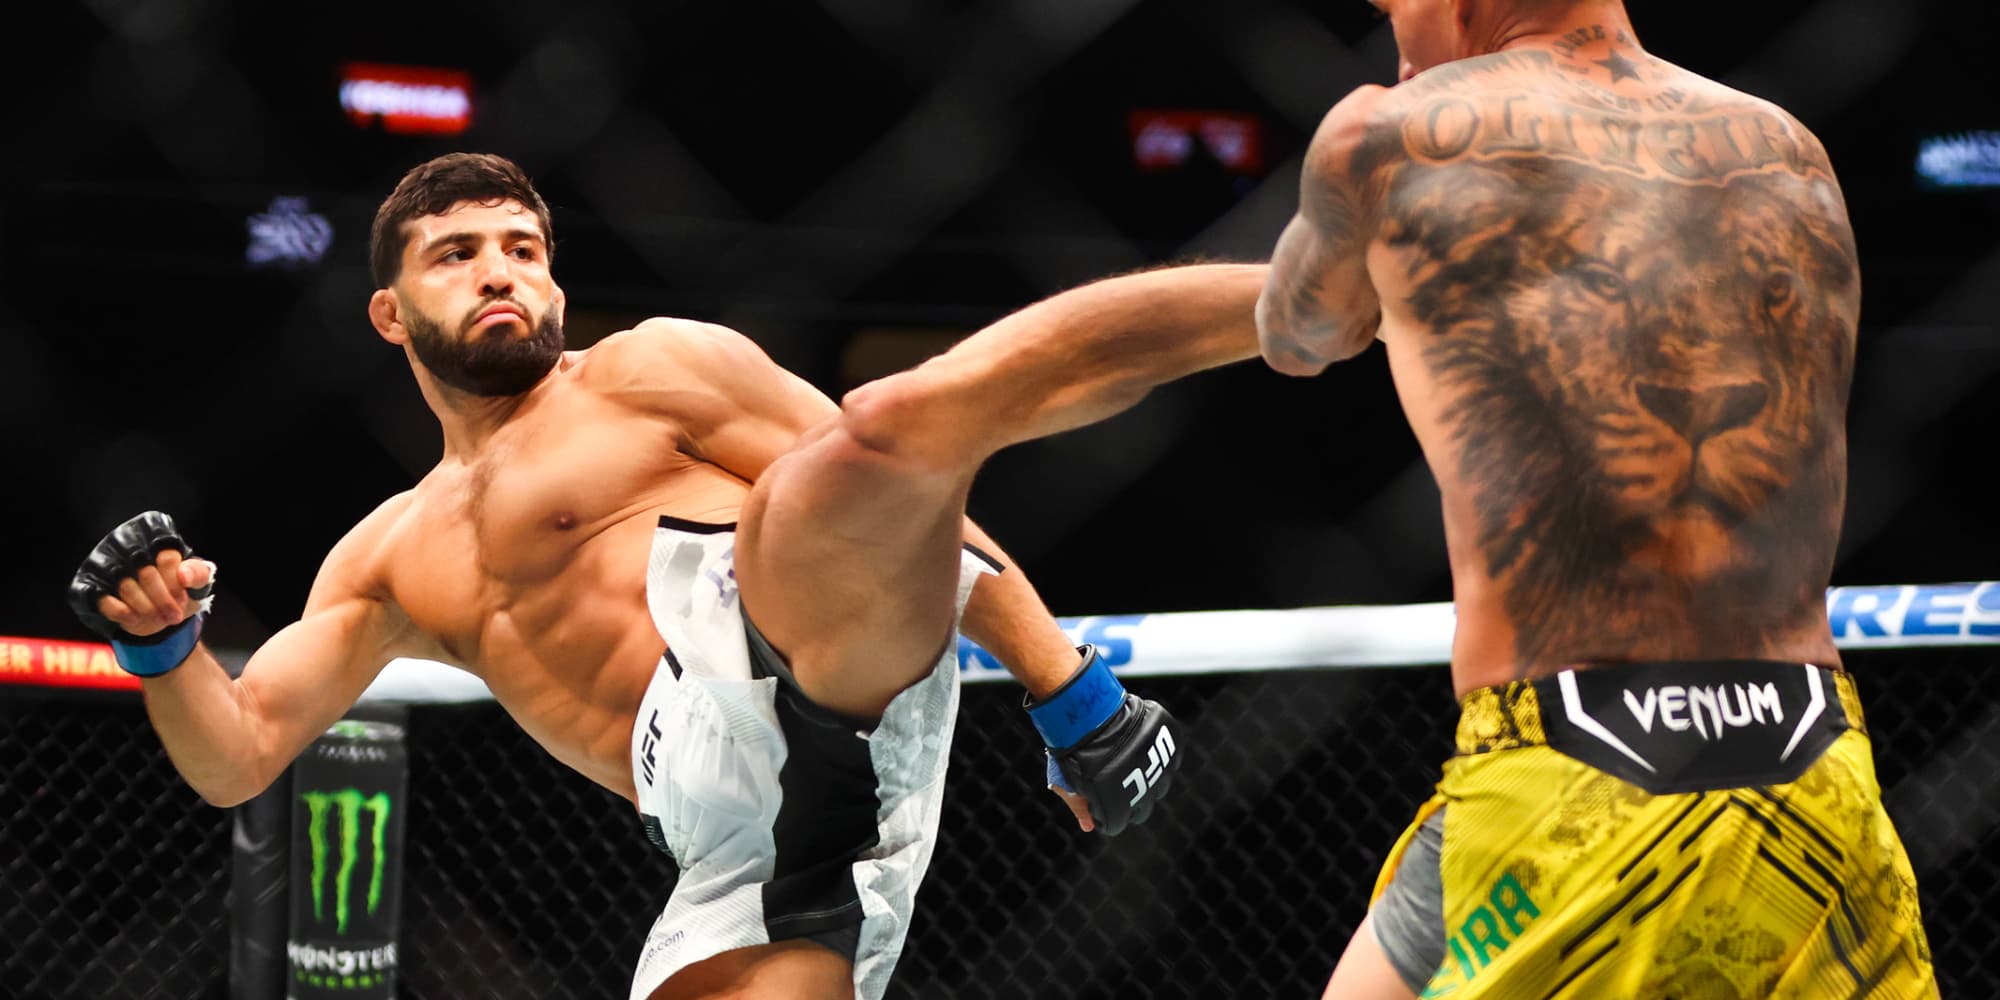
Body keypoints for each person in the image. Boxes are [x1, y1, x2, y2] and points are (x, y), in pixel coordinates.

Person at [67, 153, 1266, 1000]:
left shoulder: (648, 374)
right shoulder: (383, 555)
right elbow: (236, 754)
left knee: (887, 428)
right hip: (741, 843)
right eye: (457, 256)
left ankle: (1292, 295)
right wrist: (165, 643)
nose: (500, 273)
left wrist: (1067, 688)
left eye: (523, 250)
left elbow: (900, 525)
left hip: (797, 659)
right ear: (390, 313)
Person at [1255, 1, 1936, 997]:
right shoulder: (1787, 148)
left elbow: (1298, 334)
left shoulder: (1385, 134)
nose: (1392, 34)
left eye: (1393, 8)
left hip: (1572, 769)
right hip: (1810, 762)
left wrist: (1376, 223)